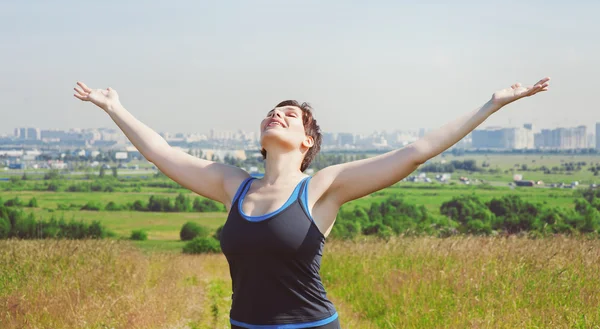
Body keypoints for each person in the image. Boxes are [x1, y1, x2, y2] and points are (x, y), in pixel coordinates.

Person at [73, 77, 550, 329]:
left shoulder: (323, 188)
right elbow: (165, 154)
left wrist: (491, 105)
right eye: (271, 112)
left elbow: (414, 153)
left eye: (291, 115)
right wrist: (115, 108)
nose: (276, 114)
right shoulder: (231, 185)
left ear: (306, 141)